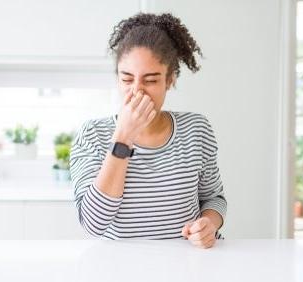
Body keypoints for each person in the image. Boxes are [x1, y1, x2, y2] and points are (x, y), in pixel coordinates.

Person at [69, 13, 226, 248]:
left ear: (170, 79)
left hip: (188, 265)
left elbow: (214, 199)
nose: (137, 91)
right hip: (121, 267)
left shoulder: (196, 129)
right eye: (127, 79)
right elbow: (93, 224)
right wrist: (123, 136)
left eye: (150, 80)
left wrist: (209, 224)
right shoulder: (92, 135)